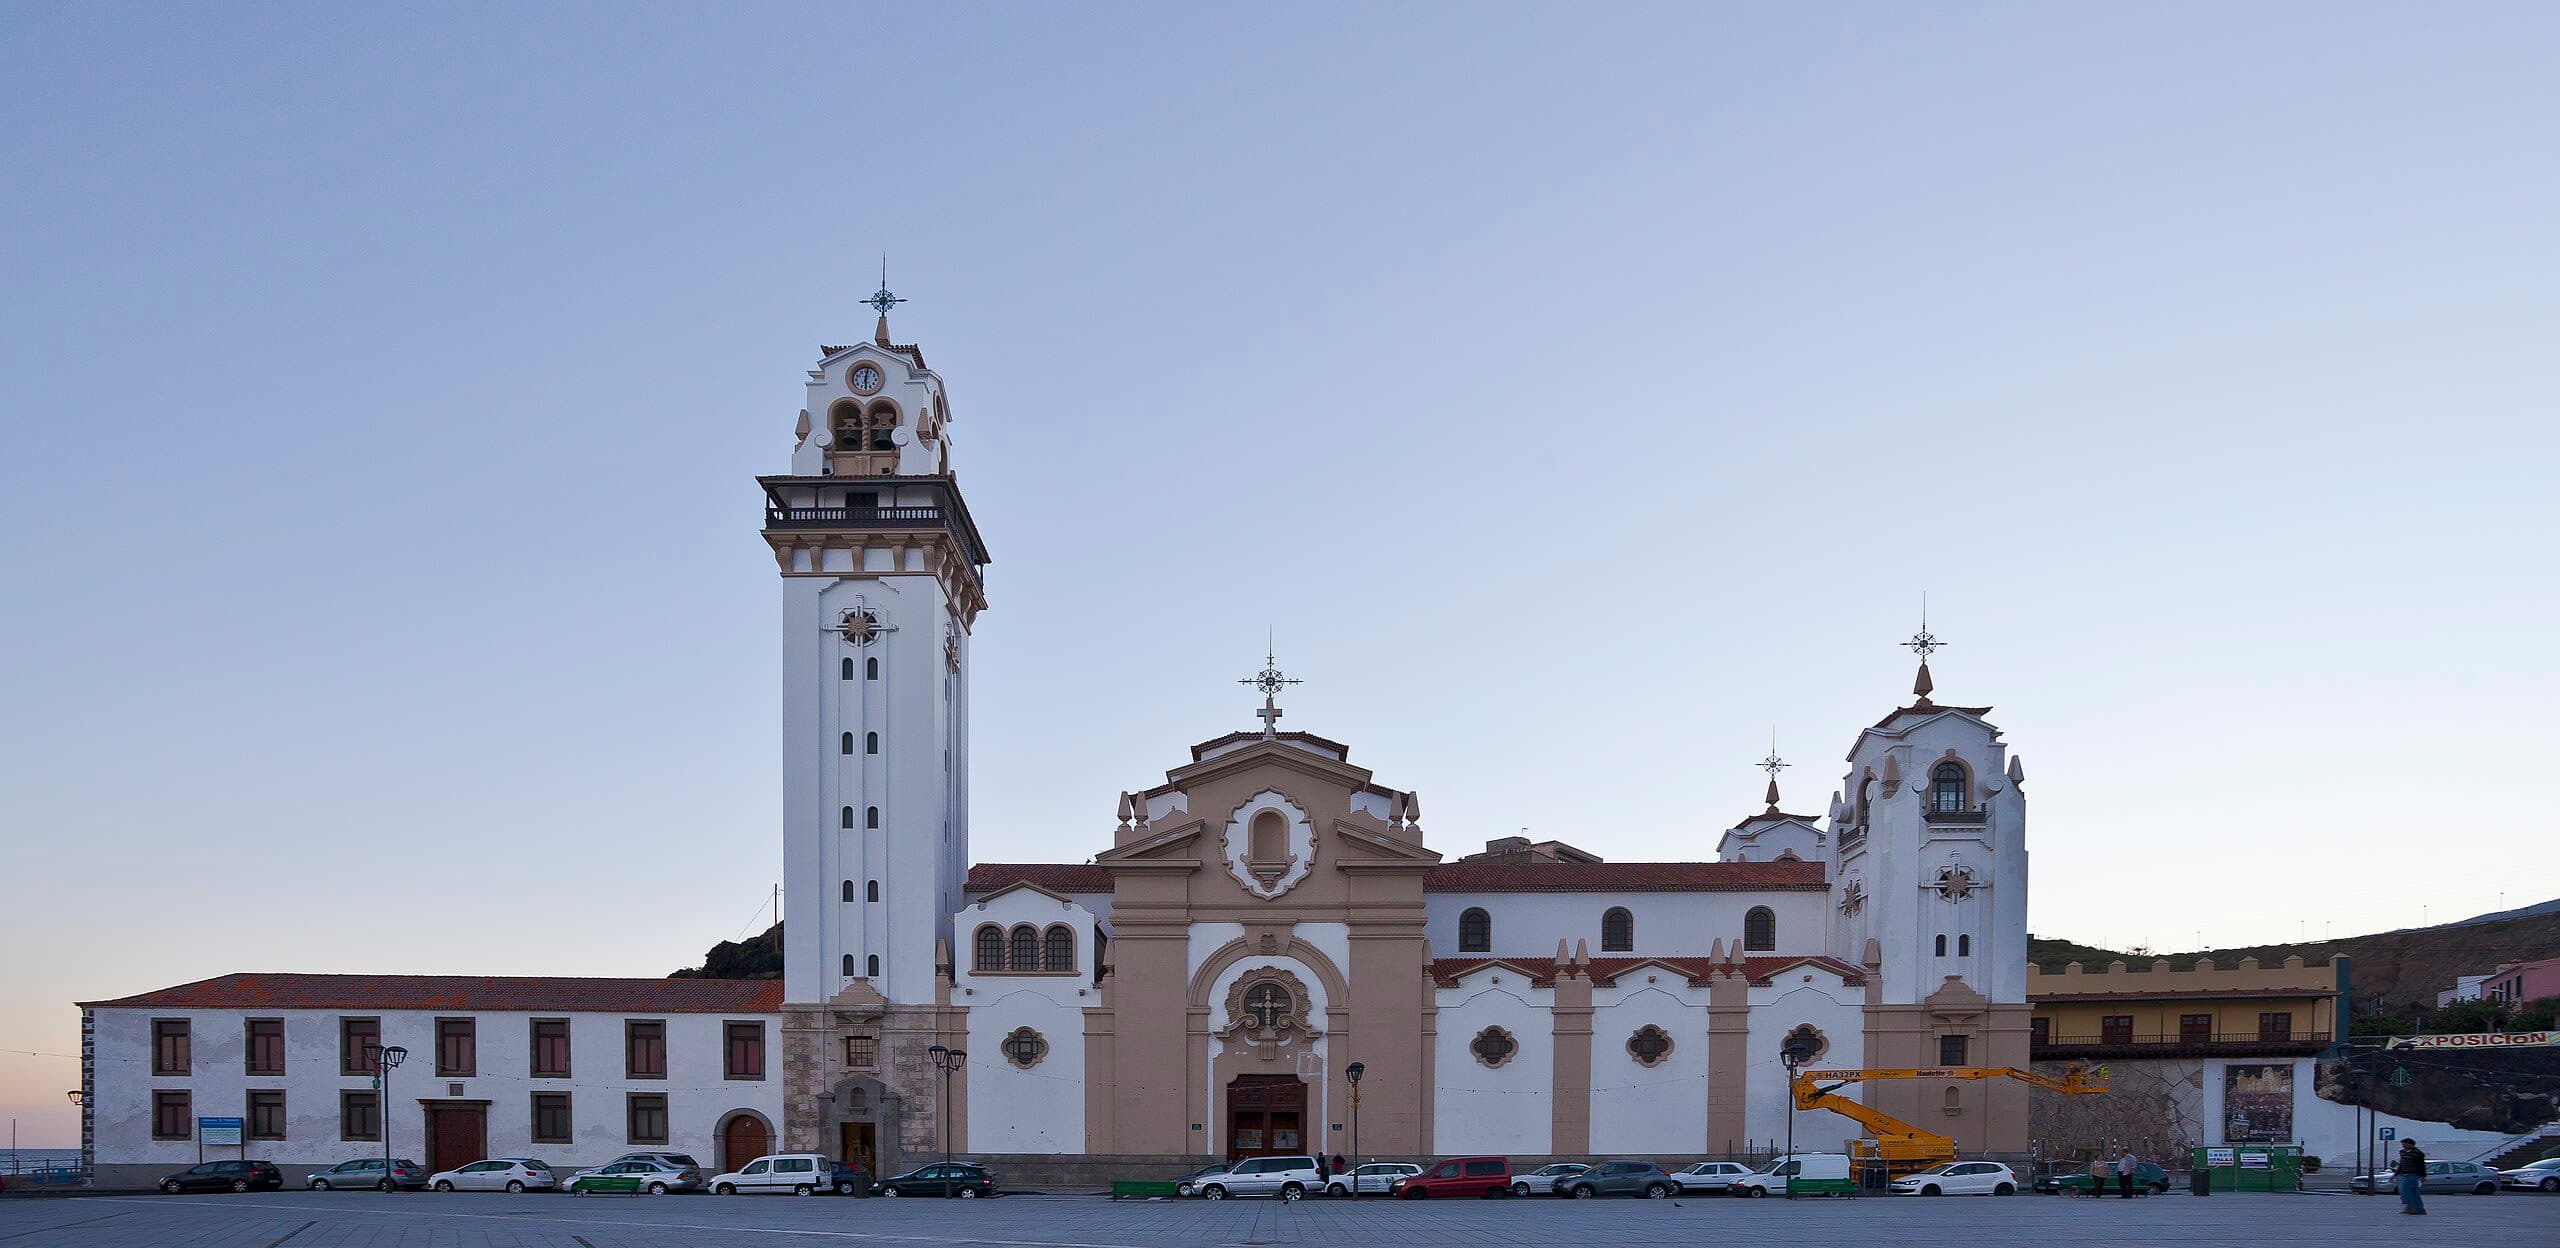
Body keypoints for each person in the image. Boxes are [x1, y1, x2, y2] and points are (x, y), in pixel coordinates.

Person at [2393, 1139, 2427, 1215]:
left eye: (2404, 1144)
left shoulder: (2418, 1153)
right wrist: (2395, 1174)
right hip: (2404, 1175)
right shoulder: (2402, 1152)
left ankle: (2412, 1208)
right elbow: (2401, 1164)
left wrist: (2422, 1176)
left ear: (2410, 1144)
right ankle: (2418, 1209)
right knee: (2413, 1193)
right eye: (2402, 1144)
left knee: (2407, 1192)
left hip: (2413, 1175)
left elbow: (2421, 1165)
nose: (2403, 1146)